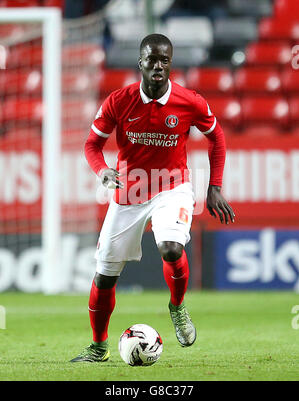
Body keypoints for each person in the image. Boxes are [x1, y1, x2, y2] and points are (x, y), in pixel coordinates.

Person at [70, 33, 235, 363]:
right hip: (128, 192)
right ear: (140, 62)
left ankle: (177, 307)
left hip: (172, 187)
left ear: (170, 63)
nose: (158, 66)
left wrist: (214, 185)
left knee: (171, 248)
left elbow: (217, 137)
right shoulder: (120, 100)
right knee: (104, 274)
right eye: (151, 59)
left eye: (164, 60)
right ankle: (98, 346)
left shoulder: (189, 101)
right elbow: (92, 145)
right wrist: (102, 170)